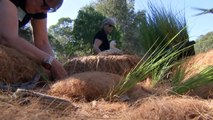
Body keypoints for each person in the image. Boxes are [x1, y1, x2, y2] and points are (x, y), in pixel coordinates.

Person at [0, 0, 68, 80]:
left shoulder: (39, 10)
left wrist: (53, 69)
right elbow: (8, 38)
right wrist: (51, 62)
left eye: (50, 9)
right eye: (45, 5)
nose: (44, 11)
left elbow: (42, 43)